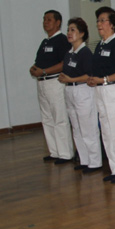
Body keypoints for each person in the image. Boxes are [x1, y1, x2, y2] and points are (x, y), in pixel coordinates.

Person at [88, 6, 115, 183]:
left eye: (103, 20)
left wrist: (104, 79)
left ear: (113, 25)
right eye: (98, 20)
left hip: (113, 89)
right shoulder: (100, 45)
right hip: (100, 90)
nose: (99, 23)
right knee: (105, 130)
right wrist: (93, 79)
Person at [58, 18, 102, 174]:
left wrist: (71, 79)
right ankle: (84, 160)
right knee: (76, 127)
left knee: (87, 127)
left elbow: (88, 75)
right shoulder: (69, 53)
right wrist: (66, 79)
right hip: (70, 90)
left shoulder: (85, 52)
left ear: (82, 33)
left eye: (73, 30)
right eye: (68, 30)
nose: (69, 33)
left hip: (83, 90)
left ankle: (95, 161)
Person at [29, 10, 73, 164]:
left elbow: (63, 63)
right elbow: (39, 62)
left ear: (58, 22)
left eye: (49, 19)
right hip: (42, 83)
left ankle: (66, 153)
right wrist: (34, 69)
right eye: (44, 19)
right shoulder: (45, 42)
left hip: (55, 82)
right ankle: (54, 151)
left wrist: (45, 71)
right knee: (47, 118)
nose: (45, 22)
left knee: (59, 118)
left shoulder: (62, 40)